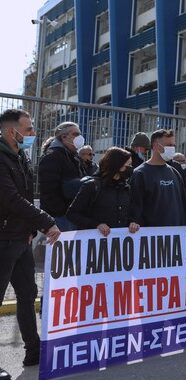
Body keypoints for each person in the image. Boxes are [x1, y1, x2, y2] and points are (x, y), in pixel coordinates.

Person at [0, 109, 61, 372]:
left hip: (20, 238)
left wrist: (32, 229)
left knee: (28, 294)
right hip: (3, 239)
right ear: (10, 130)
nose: (33, 134)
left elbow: (24, 195)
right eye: (28, 129)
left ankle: (34, 351)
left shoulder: (19, 156)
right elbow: (11, 198)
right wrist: (46, 221)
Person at [128, 129, 186, 230]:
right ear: (156, 146)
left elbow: (183, 207)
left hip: (176, 238)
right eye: (169, 145)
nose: (172, 149)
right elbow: (135, 209)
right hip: (152, 238)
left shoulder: (175, 172)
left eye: (173, 145)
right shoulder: (140, 173)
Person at [67, 147, 133, 236]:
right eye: (126, 166)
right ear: (116, 165)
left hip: (119, 243)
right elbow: (72, 214)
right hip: (95, 244)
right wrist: (96, 225)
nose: (130, 169)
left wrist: (133, 222)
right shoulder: (92, 186)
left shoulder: (126, 188)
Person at [38, 122, 86, 231]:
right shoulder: (52, 156)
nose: (80, 137)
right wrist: (64, 211)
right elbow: (49, 191)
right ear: (64, 137)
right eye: (75, 134)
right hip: (61, 217)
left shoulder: (72, 157)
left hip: (72, 215)